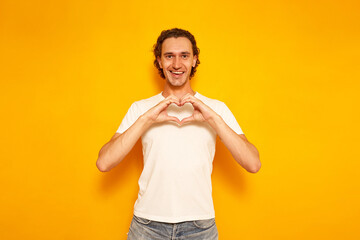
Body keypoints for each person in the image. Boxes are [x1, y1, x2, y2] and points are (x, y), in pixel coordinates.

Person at [96, 28, 261, 240]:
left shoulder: (215, 109)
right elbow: (104, 162)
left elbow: (253, 163)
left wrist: (214, 120)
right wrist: (147, 119)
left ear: (194, 60)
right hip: (147, 227)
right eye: (169, 56)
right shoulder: (140, 109)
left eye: (184, 55)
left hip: (200, 227)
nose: (176, 64)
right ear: (159, 61)